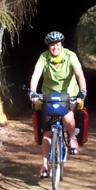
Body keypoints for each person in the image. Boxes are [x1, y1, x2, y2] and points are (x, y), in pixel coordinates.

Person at [29, 31, 87, 178]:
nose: (55, 48)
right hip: (48, 96)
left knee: (67, 117)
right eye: (52, 45)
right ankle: (44, 166)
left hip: (68, 95)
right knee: (47, 132)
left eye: (57, 45)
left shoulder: (70, 56)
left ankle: (72, 138)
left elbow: (79, 74)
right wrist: (33, 92)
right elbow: (36, 74)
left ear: (62, 45)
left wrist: (83, 91)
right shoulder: (44, 57)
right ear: (48, 47)